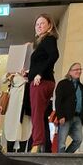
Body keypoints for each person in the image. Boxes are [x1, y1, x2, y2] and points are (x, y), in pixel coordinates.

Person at [26, 14, 59, 152]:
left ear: (49, 25)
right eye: (37, 24)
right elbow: (43, 61)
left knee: (37, 113)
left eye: (42, 23)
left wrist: (39, 74)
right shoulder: (43, 42)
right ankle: (45, 147)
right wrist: (29, 72)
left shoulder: (49, 39)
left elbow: (54, 55)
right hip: (45, 80)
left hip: (41, 82)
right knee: (41, 115)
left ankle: (37, 143)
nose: (39, 26)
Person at [55, 63, 83, 153]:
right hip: (66, 117)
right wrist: (60, 116)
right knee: (61, 143)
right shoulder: (63, 83)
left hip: (78, 117)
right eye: (76, 69)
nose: (79, 71)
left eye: (80, 69)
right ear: (70, 72)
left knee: (78, 140)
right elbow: (58, 101)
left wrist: (82, 118)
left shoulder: (81, 86)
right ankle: (60, 162)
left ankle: (66, 157)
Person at [2, 72, 31, 152]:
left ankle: (11, 155)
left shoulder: (17, 81)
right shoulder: (26, 82)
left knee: (15, 134)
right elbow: (3, 79)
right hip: (24, 112)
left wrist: (11, 75)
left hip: (20, 112)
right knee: (22, 134)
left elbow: (3, 79)